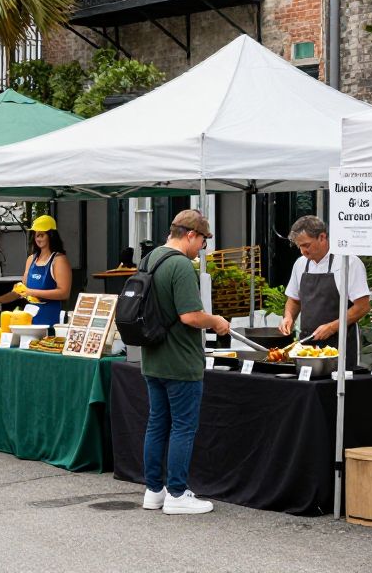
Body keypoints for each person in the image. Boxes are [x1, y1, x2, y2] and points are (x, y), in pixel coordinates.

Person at [141, 209, 230, 515]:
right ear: (191, 234)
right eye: (203, 241)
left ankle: (154, 491)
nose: (202, 248)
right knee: (182, 427)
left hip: (152, 356)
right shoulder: (180, 265)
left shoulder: (150, 259)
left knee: (156, 424)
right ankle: (177, 494)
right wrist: (216, 320)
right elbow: (190, 316)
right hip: (180, 360)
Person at [279, 215, 370, 369]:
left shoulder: (348, 262)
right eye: (299, 246)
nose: (303, 252)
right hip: (307, 345)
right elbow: (294, 299)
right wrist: (288, 317)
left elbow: (362, 307)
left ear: (322, 237)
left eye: (306, 245)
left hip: (340, 343)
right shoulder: (300, 264)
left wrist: (332, 327)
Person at [0, 214, 71, 327]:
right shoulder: (31, 259)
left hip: (50, 318)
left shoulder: (59, 260)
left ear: (51, 236)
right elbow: (21, 292)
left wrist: (31, 292)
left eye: (41, 235)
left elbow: (64, 293)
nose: (38, 238)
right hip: (28, 319)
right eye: (36, 235)